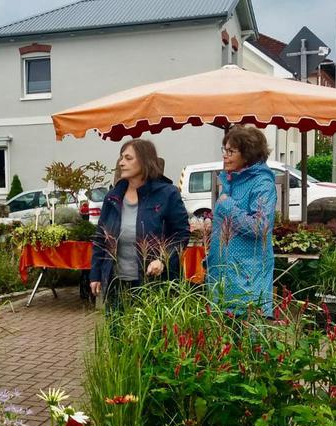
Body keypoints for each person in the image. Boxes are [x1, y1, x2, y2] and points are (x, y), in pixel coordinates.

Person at [89, 139, 189, 309]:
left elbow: (181, 234)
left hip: (155, 284)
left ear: (144, 161)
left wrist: (163, 259)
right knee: (116, 325)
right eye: (121, 158)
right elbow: (101, 238)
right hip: (117, 285)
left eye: (128, 158)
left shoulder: (167, 194)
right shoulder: (113, 197)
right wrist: (95, 274)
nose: (121, 163)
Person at [206, 125, 277, 317]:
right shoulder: (232, 180)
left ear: (247, 154)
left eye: (231, 151)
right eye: (224, 150)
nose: (225, 155)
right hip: (223, 276)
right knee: (221, 334)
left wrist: (227, 205)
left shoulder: (262, 183)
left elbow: (260, 227)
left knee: (247, 332)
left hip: (247, 280)